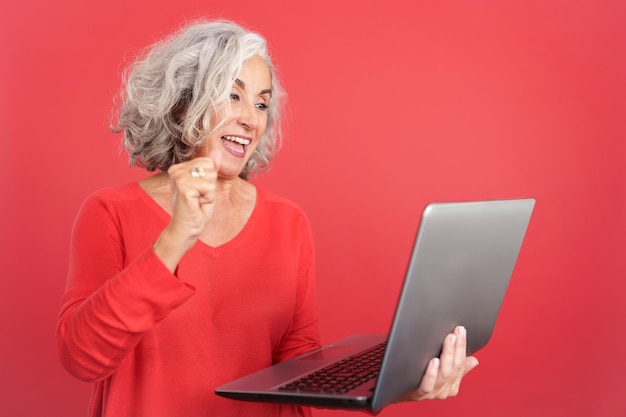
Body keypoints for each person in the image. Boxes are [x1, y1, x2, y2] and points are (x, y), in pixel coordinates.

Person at [56, 19, 479, 417]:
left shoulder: (288, 223)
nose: (251, 118)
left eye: (261, 103)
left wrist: (396, 386)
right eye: (233, 94)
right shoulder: (109, 212)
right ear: (183, 106)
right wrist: (177, 236)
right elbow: (81, 356)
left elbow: (297, 375)